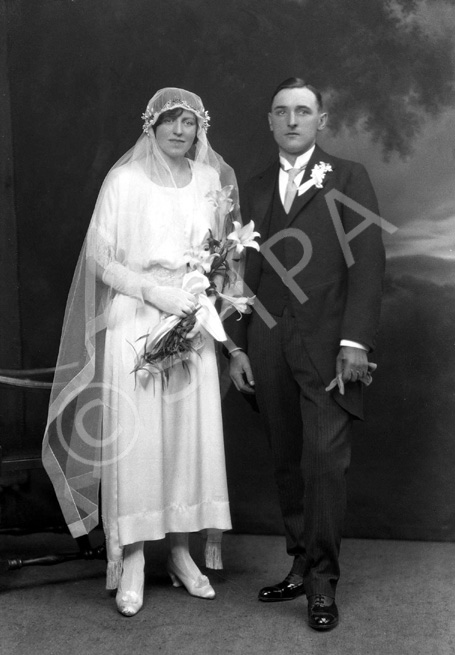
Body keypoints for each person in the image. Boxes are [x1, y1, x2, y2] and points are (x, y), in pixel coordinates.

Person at [42, 88, 238, 616]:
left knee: (185, 439)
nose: (180, 131)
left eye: (189, 123)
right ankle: (132, 556)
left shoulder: (208, 182)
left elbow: (221, 257)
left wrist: (200, 294)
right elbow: (102, 261)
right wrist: (154, 293)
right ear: (151, 125)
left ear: (201, 130)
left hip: (189, 323)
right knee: (139, 442)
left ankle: (179, 551)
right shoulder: (123, 182)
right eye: (170, 121)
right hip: (137, 318)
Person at [226, 77, 385, 630]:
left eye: (303, 111)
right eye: (281, 112)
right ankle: (298, 562)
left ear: (322, 121)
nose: (292, 121)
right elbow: (245, 273)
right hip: (268, 342)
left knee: (324, 465)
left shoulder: (350, 177)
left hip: (330, 346)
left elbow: (367, 263)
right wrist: (238, 347)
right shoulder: (253, 187)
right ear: (270, 122)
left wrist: (355, 343)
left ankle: (322, 584)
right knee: (285, 458)